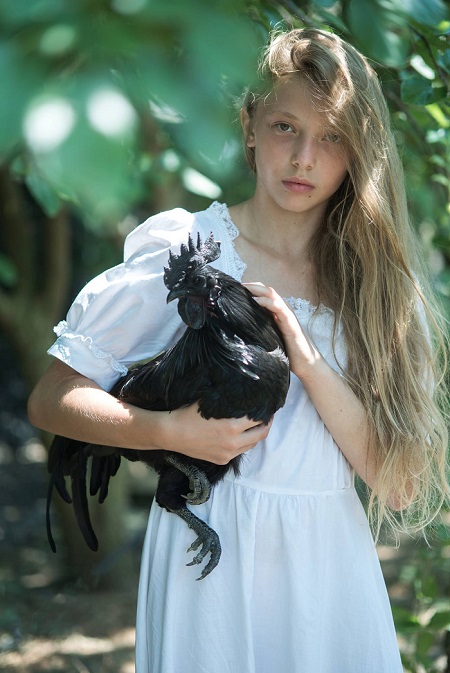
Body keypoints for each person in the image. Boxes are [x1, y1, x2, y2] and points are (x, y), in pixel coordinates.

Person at [28, 27, 448, 673]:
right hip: (209, 554)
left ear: (357, 152)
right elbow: (52, 399)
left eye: (332, 136)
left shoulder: (373, 289)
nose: (304, 157)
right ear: (250, 126)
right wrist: (162, 428)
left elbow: (399, 483)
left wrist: (304, 361)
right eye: (286, 126)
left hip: (327, 563)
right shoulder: (188, 251)